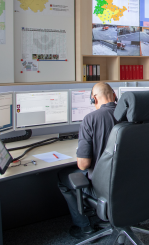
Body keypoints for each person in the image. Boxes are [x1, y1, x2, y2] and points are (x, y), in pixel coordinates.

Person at [57, 82, 118, 239]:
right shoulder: (131, 116)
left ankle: (85, 227)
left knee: (63, 176)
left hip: (103, 189)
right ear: (115, 96)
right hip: (130, 185)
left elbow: (83, 164)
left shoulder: (90, 119)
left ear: (94, 99)